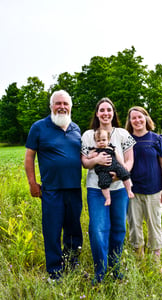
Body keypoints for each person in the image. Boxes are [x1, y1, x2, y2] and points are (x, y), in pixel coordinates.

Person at [24, 90, 83, 282]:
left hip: (74, 189)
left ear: (70, 107)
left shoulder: (76, 129)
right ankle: (55, 272)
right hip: (51, 190)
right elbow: (29, 157)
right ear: (51, 106)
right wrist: (32, 183)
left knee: (74, 230)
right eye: (58, 103)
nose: (62, 107)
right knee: (52, 230)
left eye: (65, 104)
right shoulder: (39, 127)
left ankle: (72, 265)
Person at [81, 97, 136, 284]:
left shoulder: (122, 134)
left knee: (119, 228)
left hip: (119, 189)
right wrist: (96, 161)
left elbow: (129, 161)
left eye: (109, 110)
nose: (105, 113)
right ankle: (100, 271)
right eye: (102, 110)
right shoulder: (88, 135)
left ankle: (115, 267)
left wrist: (120, 175)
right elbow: (85, 163)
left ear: (113, 113)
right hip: (96, 189)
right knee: (98, 229)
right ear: (97, 113)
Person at [125, 106, 162, 267]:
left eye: (140, 117)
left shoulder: (156, 139)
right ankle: (139, 259)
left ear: (146, 118)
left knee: (154, 225)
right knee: (134, 226)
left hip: (154, 191)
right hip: (132, 192)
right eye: (133, 118)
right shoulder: (127, 140)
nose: (137, 120)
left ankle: (156, 261)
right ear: (129, 121)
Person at [88, 128, 134, 206]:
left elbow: (118, 157)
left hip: (115, 166)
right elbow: (89, 156)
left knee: (125, 175)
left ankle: (129, 190)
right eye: (98, 141)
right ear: (95, 142)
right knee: (103, 183)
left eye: (103, 140)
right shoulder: (95, 150)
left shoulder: (111, 148)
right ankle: (108, 198)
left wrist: (123, 164)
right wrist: (93, 156)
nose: (101, 142)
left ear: (108, 140)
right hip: (103, 170)